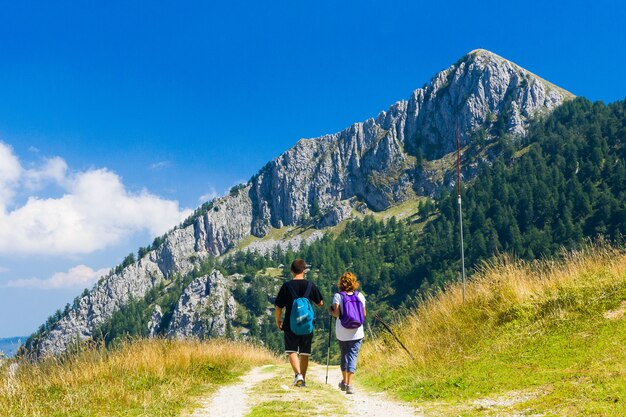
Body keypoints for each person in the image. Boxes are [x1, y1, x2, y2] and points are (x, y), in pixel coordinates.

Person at [275, 259, 323, 387]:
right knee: (304, 353)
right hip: (307, 323)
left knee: (291, 351)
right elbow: (320, 304)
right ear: (304, 270)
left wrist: (278, 321)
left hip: (290, 324)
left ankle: (298, 375)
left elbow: (279, 307)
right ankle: (303, 380)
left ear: (291, 270)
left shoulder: (287, 286)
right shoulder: (310, 285)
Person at [329, 271, 366, 395]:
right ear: (354, 283)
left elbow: (337, 314)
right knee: (352, 356)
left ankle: (344, 382)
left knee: (344, 355)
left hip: (342, 331)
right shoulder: (360, 296)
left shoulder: (338, 296)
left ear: (341, 283)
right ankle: (350, 384)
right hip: (357, 331)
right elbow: (364, 314)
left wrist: (331, 311)